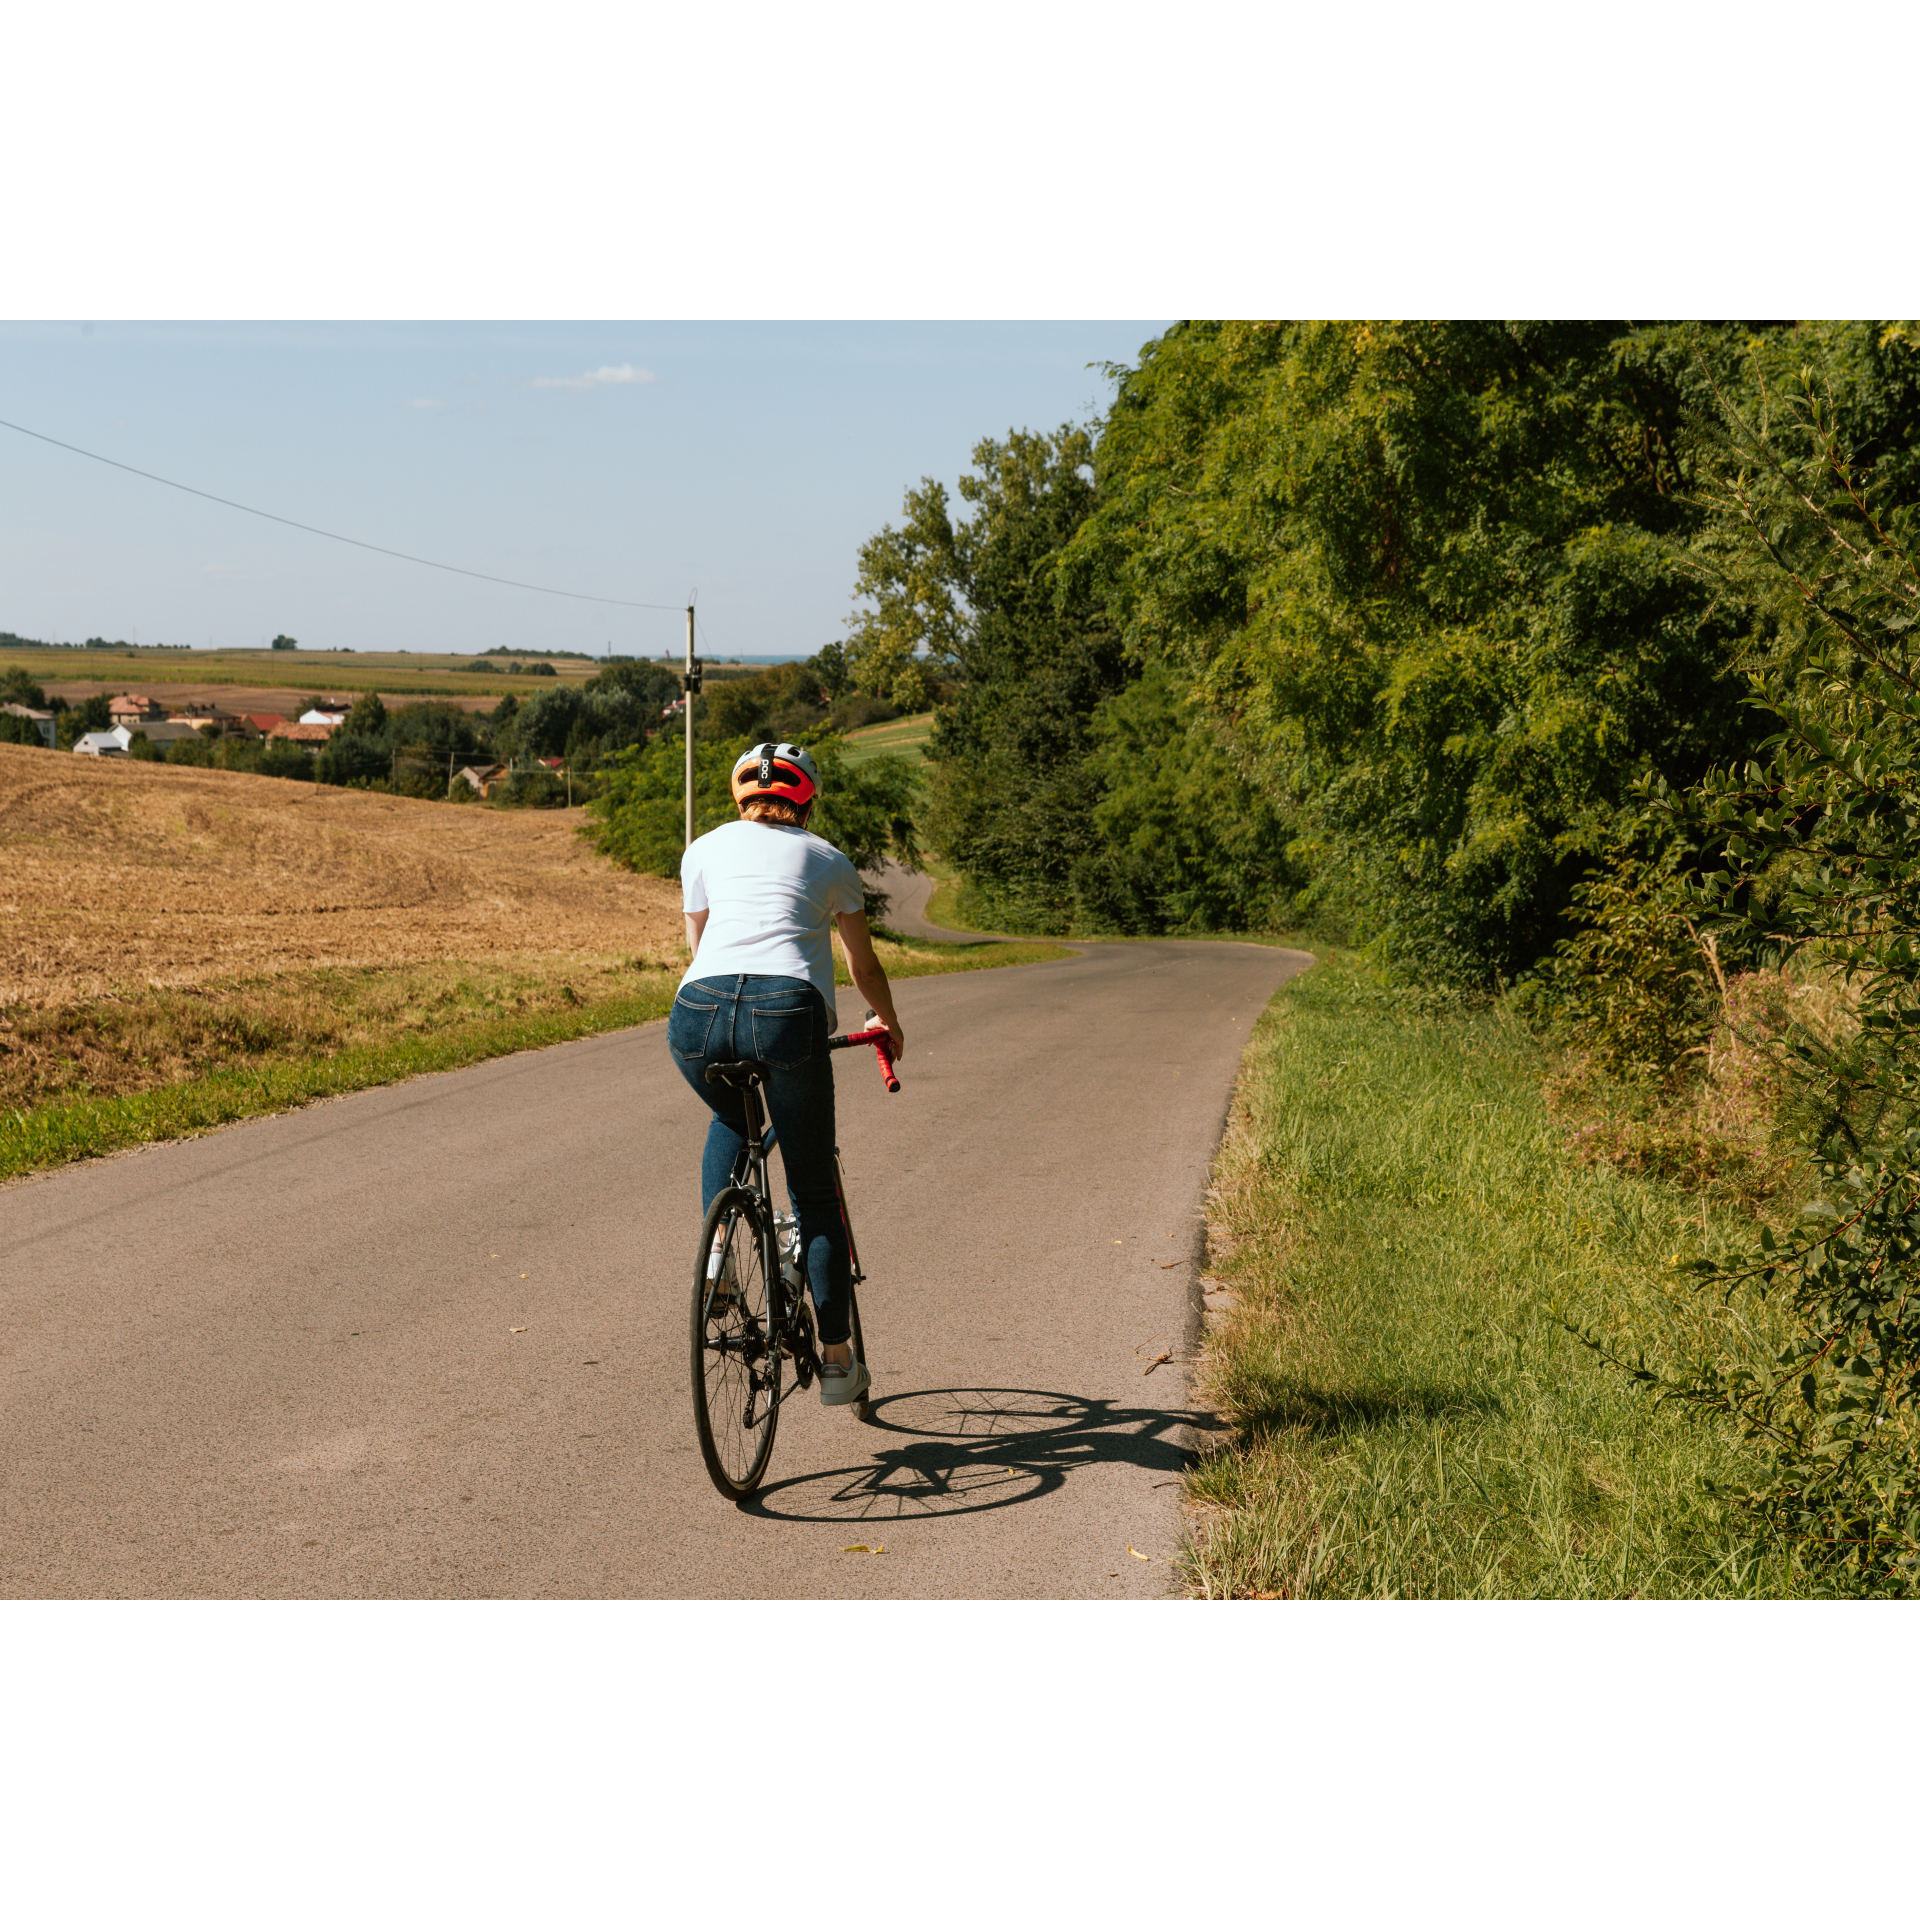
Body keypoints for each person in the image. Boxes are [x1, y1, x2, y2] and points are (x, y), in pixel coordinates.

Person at [668, 740, 905, 1406]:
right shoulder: (828, 859)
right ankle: (835, 1360)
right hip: (788, 1013)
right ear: (807, 799)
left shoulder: (703, 849)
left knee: (730, 1117)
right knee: (811, 1188)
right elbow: (862, 967)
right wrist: (888, 1022)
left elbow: (700, 943)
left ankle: (718, 1259)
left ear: (740, 795)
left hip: (697, 1014)